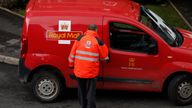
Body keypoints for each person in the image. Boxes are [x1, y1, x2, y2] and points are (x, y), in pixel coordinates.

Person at [68, 24, 109, 108]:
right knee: (91, 92)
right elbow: (105, 57)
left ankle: (83, 106)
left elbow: (72, 54)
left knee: (81, 90)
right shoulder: (98, 41)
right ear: (96, 30)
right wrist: (106, 58)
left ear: (87, 29)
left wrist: (71, 65)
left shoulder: (79, 39)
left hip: (79, 71)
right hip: (91, 72)